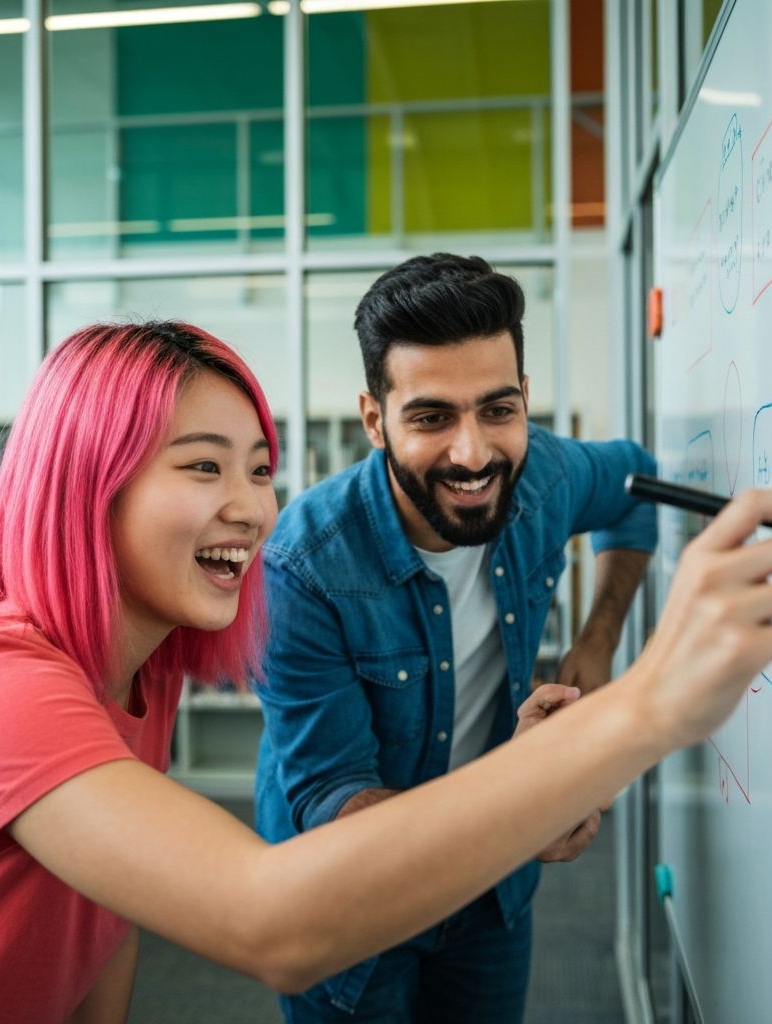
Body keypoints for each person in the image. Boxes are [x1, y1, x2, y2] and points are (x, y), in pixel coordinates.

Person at [0, 319, 772, 1024]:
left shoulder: (134, 680)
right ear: (85, 483)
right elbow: (272, 923)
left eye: (257, 467)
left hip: (484, 902)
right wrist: (648, 706)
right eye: (203, 468)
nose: (250, 507)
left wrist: (599, 645)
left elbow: (98, 930)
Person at [254, 254, 657, 1021]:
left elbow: (638, 485)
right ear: (375, 420)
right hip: (348, 908)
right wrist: (525, 801)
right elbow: (329, 795)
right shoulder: (302, 566)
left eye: (498, 411)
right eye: (432, 417)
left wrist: (600, 642)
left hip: (490, 897)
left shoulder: (544, 474)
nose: (473, 454)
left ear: (525, 402)